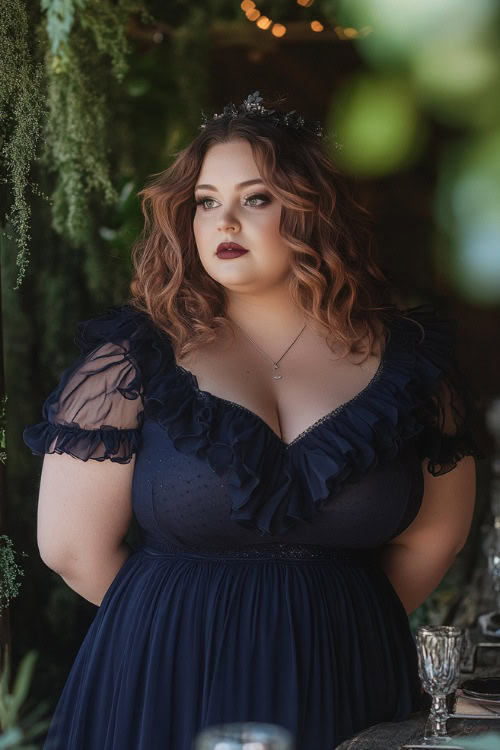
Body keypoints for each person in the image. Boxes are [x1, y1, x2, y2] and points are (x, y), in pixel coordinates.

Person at [23, 90, 486, 750]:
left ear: (314, 211)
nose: (224, 222)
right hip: (165, 679)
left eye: (255, 198)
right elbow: (70, 548)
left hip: (347, 682)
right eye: (207, 201)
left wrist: (329, 631)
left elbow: (434, 538)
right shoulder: (132, 358)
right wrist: (191, 631)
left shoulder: (412, 365)